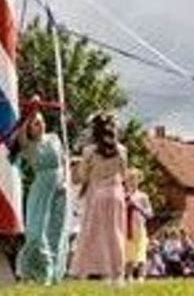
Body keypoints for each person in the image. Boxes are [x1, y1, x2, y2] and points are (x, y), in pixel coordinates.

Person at [13, 97, 69, 285]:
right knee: (36, 232)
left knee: (55, 230)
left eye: (42, 122)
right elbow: (20, 135)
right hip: (41, 188)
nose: (41, 126)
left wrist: (65, 184)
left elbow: (63, 162)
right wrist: (31, 109)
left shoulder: (54, 138)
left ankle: (51, 274)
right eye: (37, 123)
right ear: (29, 127)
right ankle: (38, 270)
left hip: (60, 189)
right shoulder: (28, 145)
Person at [71, 112, 127, 286]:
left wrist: (75, 167)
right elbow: (123, 174)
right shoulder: (122, 150)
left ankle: (84, 272)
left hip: (97, 195)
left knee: (91, 234)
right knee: (115, 234)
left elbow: (81, 177)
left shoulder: (89, 151)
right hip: (116, 195)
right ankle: (117, 274)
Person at [124, 168, 153, 282]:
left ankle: (141, 276)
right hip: (126, 228)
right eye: (129, 179)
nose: (131, 181)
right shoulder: (122, 196)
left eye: (133, 179)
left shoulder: (143, 196)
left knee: (140, 253)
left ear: (138, 181)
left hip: (139, 227)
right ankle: (129, 276)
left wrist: (137, 206)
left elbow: (150, 214)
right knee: (128, 254)